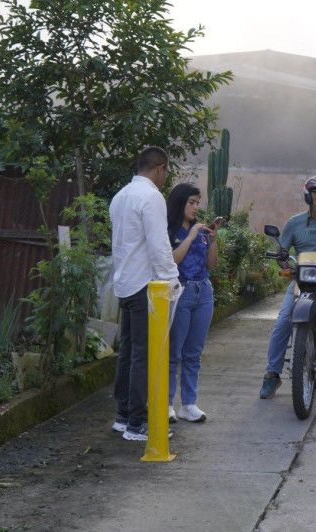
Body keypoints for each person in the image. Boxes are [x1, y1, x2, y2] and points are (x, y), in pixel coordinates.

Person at [109, 146, 180, 441]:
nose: (165, 178)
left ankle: (123, 416)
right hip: (144, 286)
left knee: (127, 351)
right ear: (160, 168)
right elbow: (159, 244)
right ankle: (137, 425)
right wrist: (172, 279)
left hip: (124, 283)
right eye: (166, 172)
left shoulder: (121, 196)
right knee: (142, 355)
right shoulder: (151, 196)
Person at [260, 176, 316, 398]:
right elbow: (283, 252)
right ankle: (272, 374)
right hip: (301, 280)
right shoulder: (294, 223)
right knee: (283, 322)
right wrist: (285, 263)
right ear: (309, 199)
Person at [166, 183, 218, 424]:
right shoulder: (171, 230)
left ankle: (188, 404)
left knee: (194, 353)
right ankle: (166, 404)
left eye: (198, 202)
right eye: (192, 202)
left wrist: (213, 239)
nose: (196, 207)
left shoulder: (201, 230)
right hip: (181, 290)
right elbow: (173, 260)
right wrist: (191, 235)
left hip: (203, 291)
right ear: (180, 203)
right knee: (173, 352)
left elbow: (211, 265)